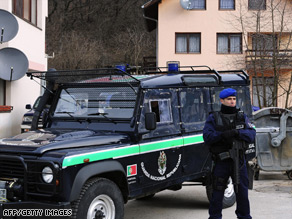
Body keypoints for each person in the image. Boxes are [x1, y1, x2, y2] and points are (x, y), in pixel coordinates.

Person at [203, 88, 256, 219]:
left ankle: (244, 216)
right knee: (217, 192)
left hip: (239, 161)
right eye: (229, 99)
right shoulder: (214, 117)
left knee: (242, 192)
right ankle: (214, 217)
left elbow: (251, 134)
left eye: (233, 99)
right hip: (222, 161)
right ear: (222, 101)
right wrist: (222, 135)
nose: (232, 102)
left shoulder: (241, 116)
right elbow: (207, 137)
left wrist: (238, 133)